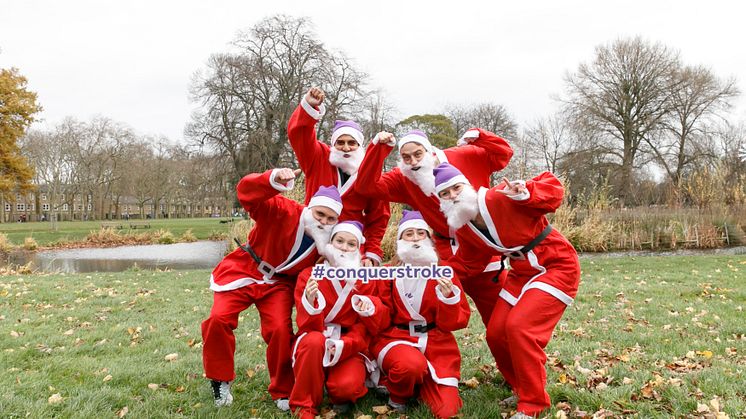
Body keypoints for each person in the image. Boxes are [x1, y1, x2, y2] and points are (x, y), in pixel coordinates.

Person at [433, 162, 580, 419]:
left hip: (556, 264)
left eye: (456, 188)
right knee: (496, 333)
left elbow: (554, 190)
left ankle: (533, 404)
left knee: (519, 327)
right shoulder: (465, 227)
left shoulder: (500, 195)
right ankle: (521, 387)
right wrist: (437, 272)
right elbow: (469, 261)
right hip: (521, 273)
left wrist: (526, 192)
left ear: (468, 186)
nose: (452, 196)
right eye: (445, 193)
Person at [200, 167, 343, 411]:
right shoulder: (284, 210)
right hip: (245, 269)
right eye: (320, 214)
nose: (323, 222)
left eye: (331, 219)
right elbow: (246, 193)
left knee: (279, 329)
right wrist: (272, 179)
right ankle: (220, 379)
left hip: (279, 284)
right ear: (310, 208)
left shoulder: (327, 245)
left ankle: (282, 389)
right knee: (218, 319)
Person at [355, 130, 513, 328]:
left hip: (484, 253)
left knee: (501, 325)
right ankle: (424, 354)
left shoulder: (462, 155)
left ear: (429, 151)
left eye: (418, 154)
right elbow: (366, 186)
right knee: (429, 316)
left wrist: (479, 136)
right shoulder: (404, 178)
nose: (413, 161)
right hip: (444, 257)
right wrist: (378, 149)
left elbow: (503, 154)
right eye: (406, 157)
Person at [354, 210, 471, 418]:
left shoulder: (445, 271)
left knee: (446, 411)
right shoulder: (388, 273)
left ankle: (416, 383)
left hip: (436, 344)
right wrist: (371, 307)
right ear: (400, 240)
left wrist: (448, 298)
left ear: (429, 239)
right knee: (410, 365)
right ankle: (397, 397)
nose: (415, 238)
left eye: (421, 233)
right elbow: (383, 318)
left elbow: (457, 322)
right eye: (409, 234)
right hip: (397, 338)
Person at [287, 87, 390, 266]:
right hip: (311, 238)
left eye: (352, 143)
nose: (346, 147)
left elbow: (379, 217)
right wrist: (310, 109)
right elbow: (300, 135)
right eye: (340, 143)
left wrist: (372, 251)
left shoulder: (370, 172)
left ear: (360, 145)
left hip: (348, 244)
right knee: (306, 286)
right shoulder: (318, 157)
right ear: (333, 144)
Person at [290, 220, 377, 418]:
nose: (344, 248)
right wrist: (310, 301)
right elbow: (304, 326)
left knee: (345, 388)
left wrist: (345, 344)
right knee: (314, 340)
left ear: (358, 248)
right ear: (330, 243)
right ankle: (304, 406)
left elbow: (365, 328)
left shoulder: (365, 280)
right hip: (316, 339)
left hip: (348, 345)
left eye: (351, 244)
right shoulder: (309, 275)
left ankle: (336, 387)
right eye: (340, 241)